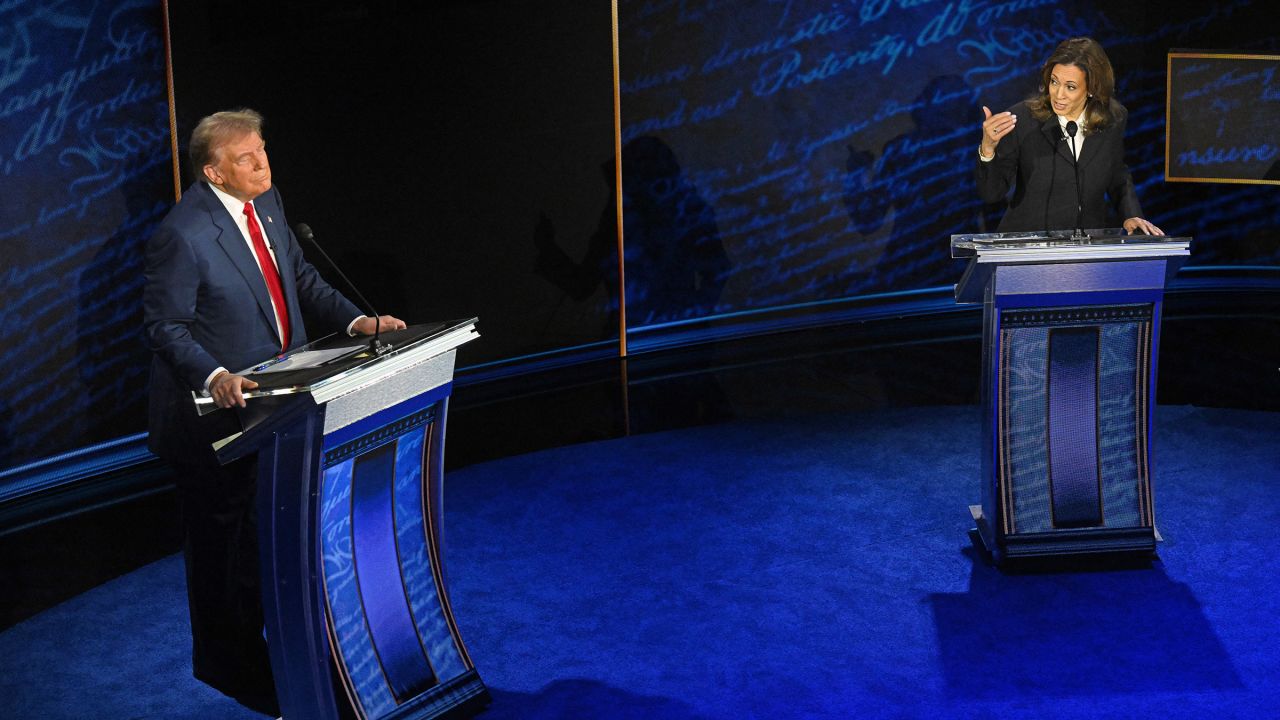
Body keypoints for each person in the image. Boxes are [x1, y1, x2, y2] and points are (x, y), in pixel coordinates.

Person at [143, 108, 405, 716]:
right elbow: (165, 325)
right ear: (214, 171)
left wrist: (356, 319)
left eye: (262, 151)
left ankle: (278, 655)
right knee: (223, 550)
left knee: (266, 543)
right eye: (246, 158)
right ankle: (229, 668)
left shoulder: (269, 202)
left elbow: (301, 277)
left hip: (278, 406)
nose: (263, 164)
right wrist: (215, 375)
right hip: (212, 418)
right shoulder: (181, 234)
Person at [976, 37, 1164, 236]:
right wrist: (988, 148)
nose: (1058, 94)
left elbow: (1116, 172)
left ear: (1091, 88)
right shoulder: (1022, 119)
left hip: (1085, 248)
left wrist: (1130, 214)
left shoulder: (1113, 119)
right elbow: (991, 193)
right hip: (1028, 246)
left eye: (1071, 87)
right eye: (1054, 82)